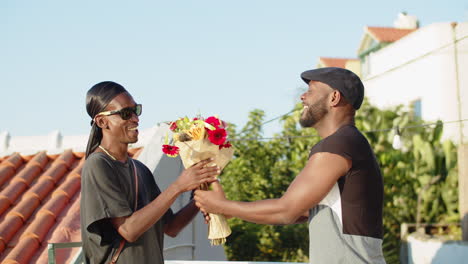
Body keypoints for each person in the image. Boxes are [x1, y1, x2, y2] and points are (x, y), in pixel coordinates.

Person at [194, 67, 386, 263]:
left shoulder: (339, 144)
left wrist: (222, 205)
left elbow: (286, 210)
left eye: (311, 90)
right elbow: (301, 211)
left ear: (334, 97)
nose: (303, 97)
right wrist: (228, 209)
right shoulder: (349, 142)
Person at [80, 81, 220, 264]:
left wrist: (200, 195)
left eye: (136, 110)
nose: (135, 119)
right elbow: (128, 230)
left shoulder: (140, 169)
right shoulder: (98, 165)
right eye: (125, 113)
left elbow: (171, 227)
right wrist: (178, 186)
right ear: (102, 121)